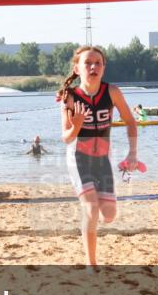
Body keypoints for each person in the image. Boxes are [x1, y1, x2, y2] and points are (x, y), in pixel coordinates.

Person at [58, 46, 139, 269]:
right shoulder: (70, 97)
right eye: (87, 63)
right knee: (91, 209)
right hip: (79, 159)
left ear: (103, 68)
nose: (93, 66)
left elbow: (131, 122)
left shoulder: (112, 92)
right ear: (77, 68)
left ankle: (91, 220)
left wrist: (132, 153)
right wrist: (76, 127)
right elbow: (66, 137)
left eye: (98, 63)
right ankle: (91, 264)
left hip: (103, 159)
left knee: (109, 215)